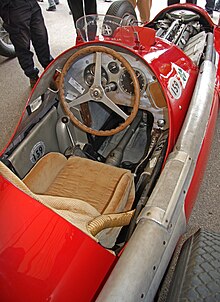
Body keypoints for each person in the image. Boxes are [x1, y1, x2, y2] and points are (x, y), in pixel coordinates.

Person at [0, 0, 53, 88]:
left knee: (41, 38)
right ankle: (33, 76)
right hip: (12, 7)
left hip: (31, 3)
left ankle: (49, 69)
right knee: (22, 46)